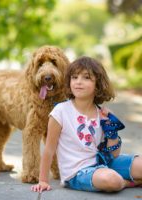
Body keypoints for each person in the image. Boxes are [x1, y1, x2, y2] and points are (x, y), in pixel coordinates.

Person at [31, 56, 142, 193]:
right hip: (77, 172)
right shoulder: (60, 111)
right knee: (112, 180)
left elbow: (113, 154)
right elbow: (49, 149)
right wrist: (43, 181)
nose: (78, 82)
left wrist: (111, 130)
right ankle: (126, 182)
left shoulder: (101, 113)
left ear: (98, 85)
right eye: (74, 77)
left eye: (86, 77)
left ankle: (122, 177)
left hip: (102, 163)